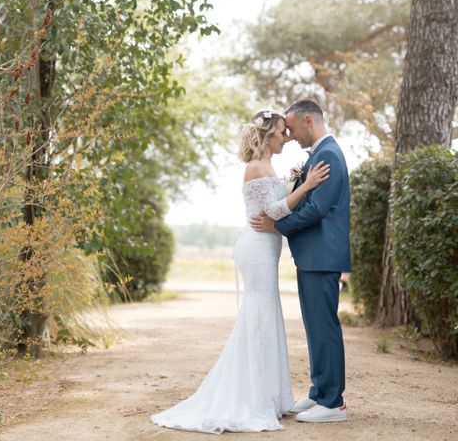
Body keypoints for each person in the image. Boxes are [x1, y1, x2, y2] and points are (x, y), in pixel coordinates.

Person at [150, 109, 330, 433]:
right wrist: (306, 186)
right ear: (267, 136)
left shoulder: (267, 166)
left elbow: (275, 206)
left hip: (266, 248)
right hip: (257, 249)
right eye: (281, 132)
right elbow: (272, 211)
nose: (286, 137)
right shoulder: (256, 167)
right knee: (259, 316)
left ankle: (269, 397)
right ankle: (254, 400)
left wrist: (293, 182)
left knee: (266, 314)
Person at [250, 99, 350, 423]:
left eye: (291, 128)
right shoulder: (320, 155)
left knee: (325, 327)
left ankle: (333, 403)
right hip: (313, 256)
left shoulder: (329, 155)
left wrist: (278, 225)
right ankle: (320, 392)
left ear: (309, 120)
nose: (290, 135)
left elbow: (316, 209)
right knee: (315, 327)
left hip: (322, 256)